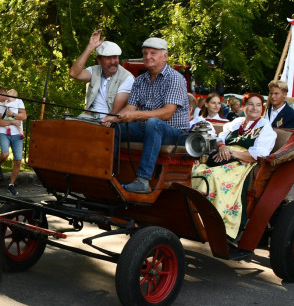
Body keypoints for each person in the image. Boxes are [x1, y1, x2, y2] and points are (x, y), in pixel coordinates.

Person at [103, 35, 189, 194]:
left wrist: (135, 116)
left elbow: (167, 113)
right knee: (115, 128)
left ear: (165, 56)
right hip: (148, 129)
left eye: (153, 53)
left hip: (176, 133)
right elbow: (130, 108)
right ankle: (106, 175)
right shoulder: (140, 80)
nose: (148, 57)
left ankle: (143, 180)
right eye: (145, 53)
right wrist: (112, 118)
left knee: (154, 123)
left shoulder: (175, 79)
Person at [190, 92, 277, 248]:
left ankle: (215, 223)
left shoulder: (265, 128)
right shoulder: (237, 122)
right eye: (251, 104)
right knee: (197, 171)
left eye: (258, 105)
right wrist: (222, 147)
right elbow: (220, 138)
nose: (254, 108)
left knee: (213, 176)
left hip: (243, 161)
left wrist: (232, 153)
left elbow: (260, 154)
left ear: (262, 108)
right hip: (223, 154)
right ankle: (192, 215)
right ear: (244, 107)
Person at [68, 28, 134, 120]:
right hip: (91, 118)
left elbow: (117, 108)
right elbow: (74, 74)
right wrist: (90, 47)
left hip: (112, 121)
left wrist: (107, 120)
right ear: (99, 60)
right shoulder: (94, 70)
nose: (113, 62)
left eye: (115, 57)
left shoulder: (127, 77)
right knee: (67, 123)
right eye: (108, 58)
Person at [0, 85, 26, 196]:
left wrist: (12, 115)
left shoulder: (19, 101)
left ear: (3, 92)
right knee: (5, 154)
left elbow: (24, 116)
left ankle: (11, 185)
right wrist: (13, 122)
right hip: (4, 133)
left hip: (17, 135)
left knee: (18, 161)